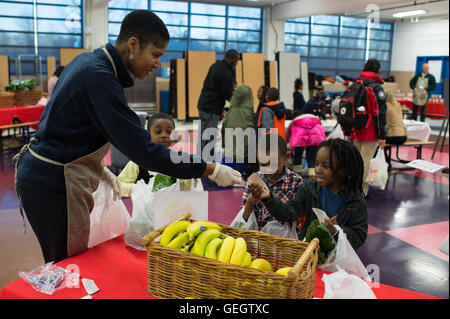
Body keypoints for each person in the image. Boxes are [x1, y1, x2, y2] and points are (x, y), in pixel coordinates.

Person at [14, 10, 242, 264]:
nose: (157, 64)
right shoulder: (99, 77)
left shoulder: (90, 63)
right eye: (155, 55)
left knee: (65, 261)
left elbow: (69, 128)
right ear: (133, 44)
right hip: (54, 181)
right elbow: (143, 150)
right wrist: (208, 168)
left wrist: (98, 168)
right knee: (67, 264)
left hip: (44, 174)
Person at [248, 138, 368, 250]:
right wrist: (268, 198)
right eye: (316, 164)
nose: (317, 170)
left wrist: (336, 231)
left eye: (325, 166)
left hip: (339, 258)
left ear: (342, 170)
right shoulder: (309, 188)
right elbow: (289, 213)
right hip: (309, 253)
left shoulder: (356, 201)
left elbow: (359, 237)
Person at [118, 113, 197, 196]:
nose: (164, 135)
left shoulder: (177, 159)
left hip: (172, 206)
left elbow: (185, 189)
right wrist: (139, 190)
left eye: (169, 132)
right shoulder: (138, 160)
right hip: (146, 207)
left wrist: (192, 179)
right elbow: (119, 184)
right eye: (158, 132)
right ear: (147, 134)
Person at [241, 133, 303, 236]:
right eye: (263, 164)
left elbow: (297, 217)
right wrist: (250, 200)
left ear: (286, 157)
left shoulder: (296, 182)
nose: (269, 169)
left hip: (286, 244)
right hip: (258, 242)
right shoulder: (254, 180)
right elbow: (244, 219)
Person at [348, 58, 387, 198]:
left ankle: (352, 188)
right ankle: (361, 192)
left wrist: (347, 129)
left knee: (355, 160)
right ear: (378, 71)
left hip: (355, 129)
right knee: (365, 161)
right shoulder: (377, 88)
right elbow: (381, 113)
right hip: (370, 130)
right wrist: (382, 135)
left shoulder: (356, 84)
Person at [197, 49, 239, 161]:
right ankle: (205, 162)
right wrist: (235, 105)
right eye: (236, 60)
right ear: (230, 59)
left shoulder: (216, 65)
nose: (237, 63)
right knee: (209, 135)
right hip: (211, 107)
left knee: (204, 133)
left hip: (204, 104)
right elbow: (227, 93)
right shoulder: (226, 72)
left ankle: (202, 159)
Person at [221, 84, 255, 179]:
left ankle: (235, 177)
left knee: (235, 160)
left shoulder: (231, 110)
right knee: (240, 159)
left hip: (231, 139)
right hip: (243, 140)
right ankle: (238, 178)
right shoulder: (248, 110)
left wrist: (224, 142)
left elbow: (224, 125)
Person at [287, 105, 326, 177]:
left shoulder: (295, 121)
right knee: (311, 156)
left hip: (299, 139)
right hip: (315, 138)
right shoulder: (313, 118)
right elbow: (321, 129)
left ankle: (297, 174)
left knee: (298, 155)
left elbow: (288, 131)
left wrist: (287, 140)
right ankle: (312, 175)